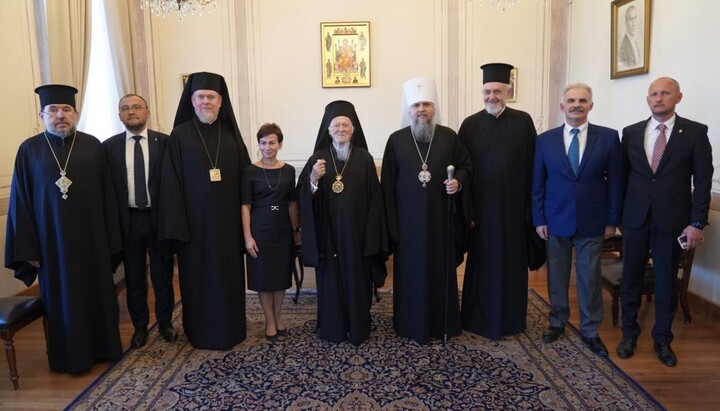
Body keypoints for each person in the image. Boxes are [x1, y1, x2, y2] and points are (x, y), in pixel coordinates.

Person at [4, 84, 123, 373]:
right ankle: (70, 358)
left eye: (66, 110)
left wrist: (111, 239)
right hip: (52, 245)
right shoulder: (29, 150)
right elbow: (21, 203)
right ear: (42, 114)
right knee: (62, 302)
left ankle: (105, 349)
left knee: (98, 295)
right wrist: (29, 249)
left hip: (92, 242)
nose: (60, 115)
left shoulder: (93, 145)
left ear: (76, 113)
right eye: (54, 110)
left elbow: (109, 195)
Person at [617, 77, 713, 367]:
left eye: (665, 93)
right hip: (634, 219)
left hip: (672, 222)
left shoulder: (695, 133)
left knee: (665, 282)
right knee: (630, 279)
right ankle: (629, 334)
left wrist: (697, 222)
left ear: (678, 97)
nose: (658, 98)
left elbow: (704, 181)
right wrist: (618, 217)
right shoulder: (631, 133)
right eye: (654, 94)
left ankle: (662, 339)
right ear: (648, 99)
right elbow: (622, 178)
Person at [158, 72, 251, 350]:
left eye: (211, 97)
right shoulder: (179, 136)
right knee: (197, 282)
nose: (206, 102)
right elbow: (170, 184)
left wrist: (246, 227)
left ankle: (232, 329)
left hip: (227, 227)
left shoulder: (232, 135)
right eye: (200, 97)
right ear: (192, 101)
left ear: (221, 101)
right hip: (193, 228)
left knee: (228, 279)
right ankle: (199, 332)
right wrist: (178, 227)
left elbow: (246, 180)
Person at [531, 83, 624, 357]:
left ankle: (590, 330)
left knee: (589, 277)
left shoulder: (608, 138)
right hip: (555, 217)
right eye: (571, 100)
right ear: (562, 106)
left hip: (593, 219)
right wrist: (539, 219)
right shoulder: (545, 140)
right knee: (557, 276)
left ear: (591, 106)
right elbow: (538, 183)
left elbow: (616, 183)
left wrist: (612, 220)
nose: (576, 105)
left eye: (582, 100)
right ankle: (558, 321)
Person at [382, 77, 471, 345]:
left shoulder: (449, 137)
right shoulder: (396, 140)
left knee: (438, 271)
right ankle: (410, 324)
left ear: (434, 108)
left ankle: (441, 322)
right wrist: (391, 226)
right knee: (410, 273)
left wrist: (458, 182)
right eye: (416, 105)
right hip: (407, 223)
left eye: (426, 104)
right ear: (408, 110)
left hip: (440, 221)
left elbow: (466, 167)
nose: (421, 109)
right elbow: (387, 185)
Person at [459, 63, 543, 341]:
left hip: (512, 212)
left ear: (508, 91)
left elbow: (534, 168)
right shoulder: (470, 125)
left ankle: (510, 321)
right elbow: (463, 169)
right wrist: (467, 210)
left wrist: (531, 211)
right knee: (481, 265)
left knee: (510, 266)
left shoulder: (523, 122)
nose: (491, 96)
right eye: (487, 91)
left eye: (497, 91)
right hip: (481, 213)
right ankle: (475, 319)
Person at [297, 100, 387, 345]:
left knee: (358, 282)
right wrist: (314, 179)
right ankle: (333, 328)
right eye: (336, 125)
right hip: (328, 236)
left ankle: (358, 327)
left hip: (358, 236)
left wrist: (371, 237)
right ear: (327, 130)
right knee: (330, 285)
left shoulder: (365, 159)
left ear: (353, 129)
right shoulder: (317, 158)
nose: (340, 129)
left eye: (345, 125)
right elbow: (303, 195)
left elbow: (375, 201)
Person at [103, 94, 177, 349]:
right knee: (134, 278)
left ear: (148, 112)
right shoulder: (109, 147)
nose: (131, 112)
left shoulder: (165, 143)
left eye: (136, 107)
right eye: (125, 108)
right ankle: (140, 328)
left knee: (162, 276)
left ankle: (166, 323)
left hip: (158, 220)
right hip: (129, 222)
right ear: (119, 115)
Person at [241, 123, 298, 343]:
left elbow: (292, 203)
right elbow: (245, 206)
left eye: (272, 142)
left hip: (283, 230)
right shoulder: (249, 171)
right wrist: (247, 236)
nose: (267, 147)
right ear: (259, 145)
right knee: (264, 278)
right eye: (263, 143)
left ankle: (278, 315)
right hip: (260, 230)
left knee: (281, 276)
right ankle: (269, 320)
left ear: (280, 144)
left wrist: (295, 231)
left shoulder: (289, 170)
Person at [618, 5, 642, 69]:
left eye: (635, 18)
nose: (634, 23)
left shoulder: (635, 42)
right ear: (626, 22)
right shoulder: (623, 48)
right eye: (631, 19)